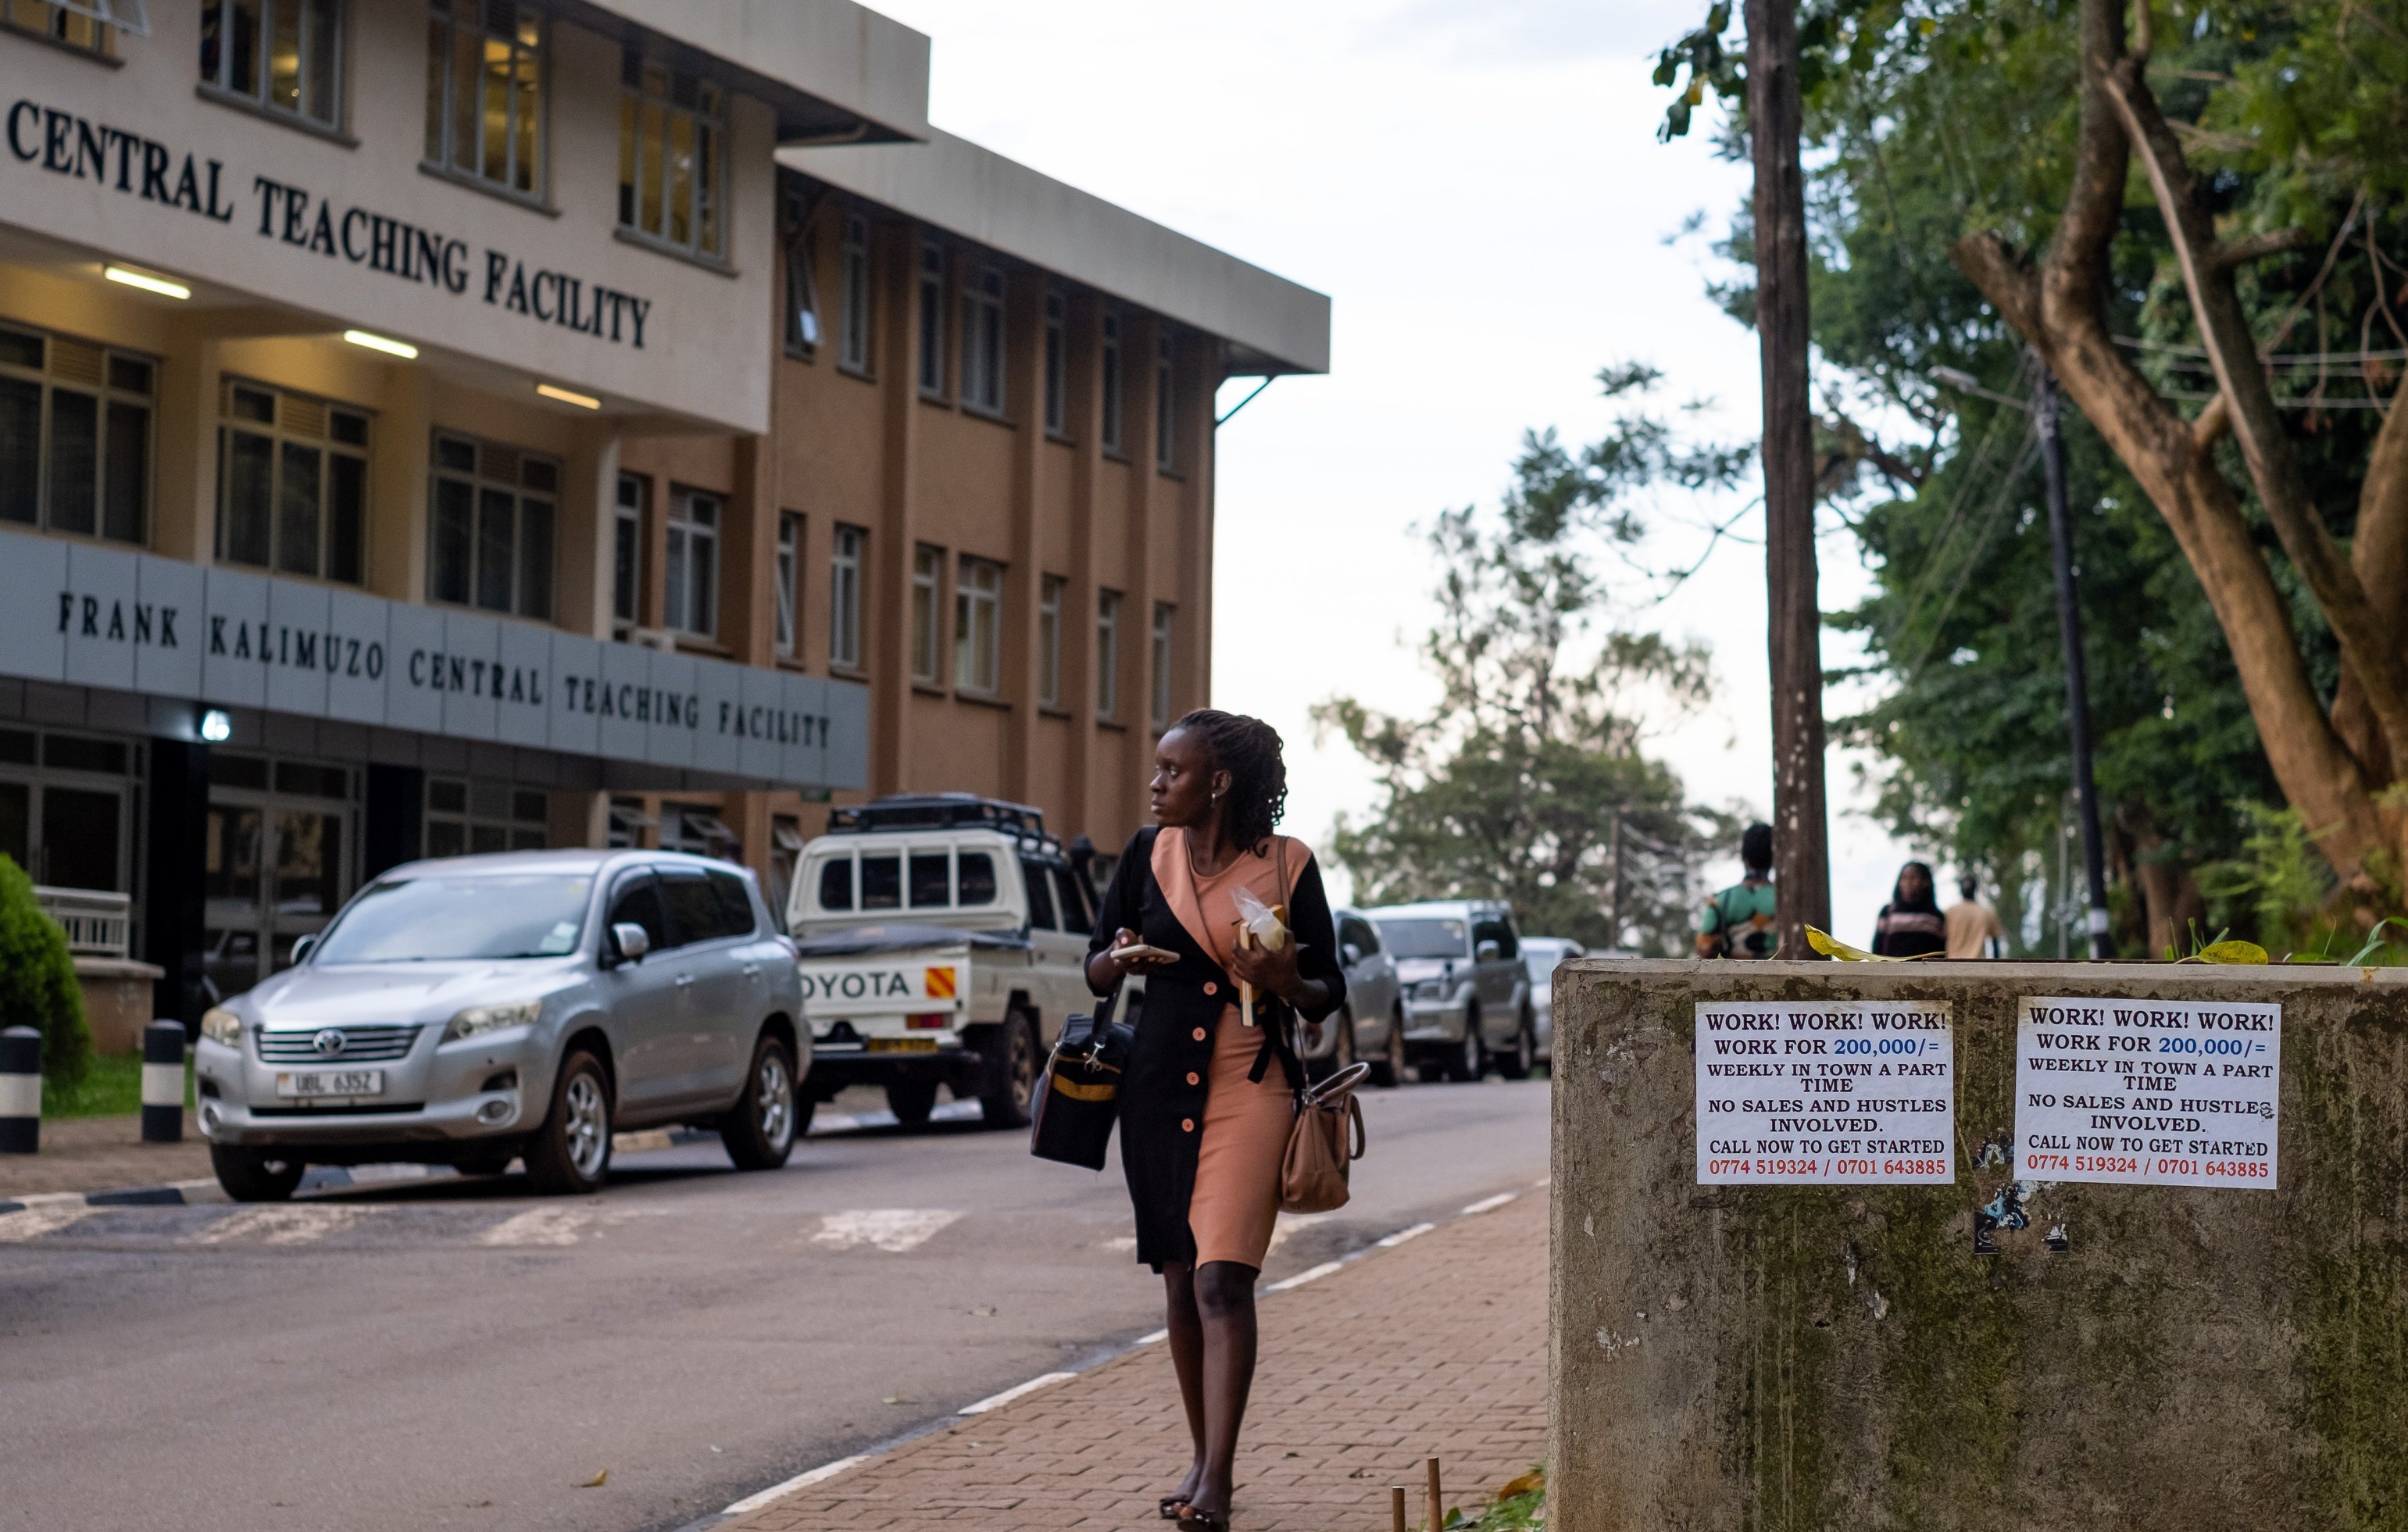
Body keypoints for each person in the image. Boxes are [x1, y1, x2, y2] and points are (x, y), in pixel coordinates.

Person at [1084, 709, 1347, 1532]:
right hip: (1157, 1091)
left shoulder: (1287, 864)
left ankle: (1220, 1482)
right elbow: (1094, 969)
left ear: (1219, 782)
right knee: (1177, 1278)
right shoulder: (1144, 854)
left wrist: (1284, 976)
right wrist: (1118, 957)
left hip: (1252, 1081)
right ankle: (1200, 1458)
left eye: (1173, 770)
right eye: (1159, 768)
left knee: (1220, 1279)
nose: (1157, 783)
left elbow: (1326, 990)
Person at [1695, 823, 1777, 958]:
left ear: (1744, 857)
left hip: (1735, 977)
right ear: (1774, 857)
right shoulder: (1788, 901)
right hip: (1782, 976)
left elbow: (1705, 948)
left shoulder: (1723, 899)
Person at [1870, 861, 1949, 957]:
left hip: (1925, 971)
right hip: (1892, 971)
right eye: (1904, 878)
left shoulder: (1936, 916)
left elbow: (1941, 951)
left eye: (1913, 878)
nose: (1908, 883)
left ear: (1925, 882)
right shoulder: (1888, 912)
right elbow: (1876, 949)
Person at [1944, 873, 2006, 959]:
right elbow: (1995, 942)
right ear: (1975, 889)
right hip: (1978, 963)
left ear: (1960, 889)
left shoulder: (1950, 912)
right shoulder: (1986, 912)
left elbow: (1943, 939)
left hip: (1953, 963)